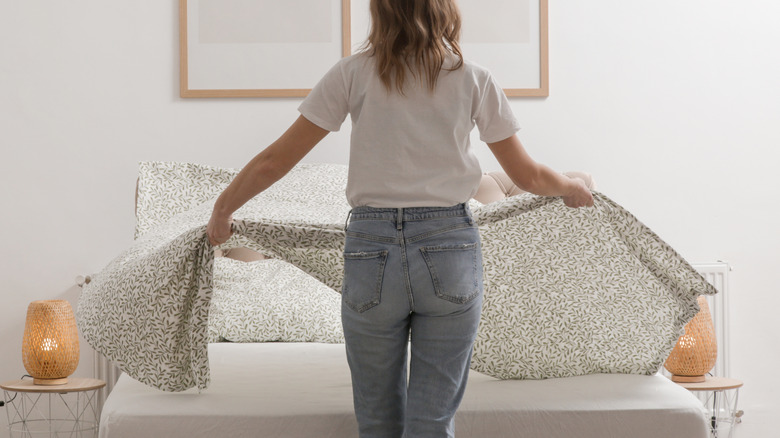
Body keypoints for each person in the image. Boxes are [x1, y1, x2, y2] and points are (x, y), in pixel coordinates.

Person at [207, 0, 593, 436]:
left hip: (372, 250)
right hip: (449, 245)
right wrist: (571, 187)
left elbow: (274, 161)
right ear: (443, 11)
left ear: (380, 12)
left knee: (377, 422)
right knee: (432, 423)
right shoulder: (473, 78)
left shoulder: (352, 73)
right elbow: (528, 175)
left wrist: (223, 208)